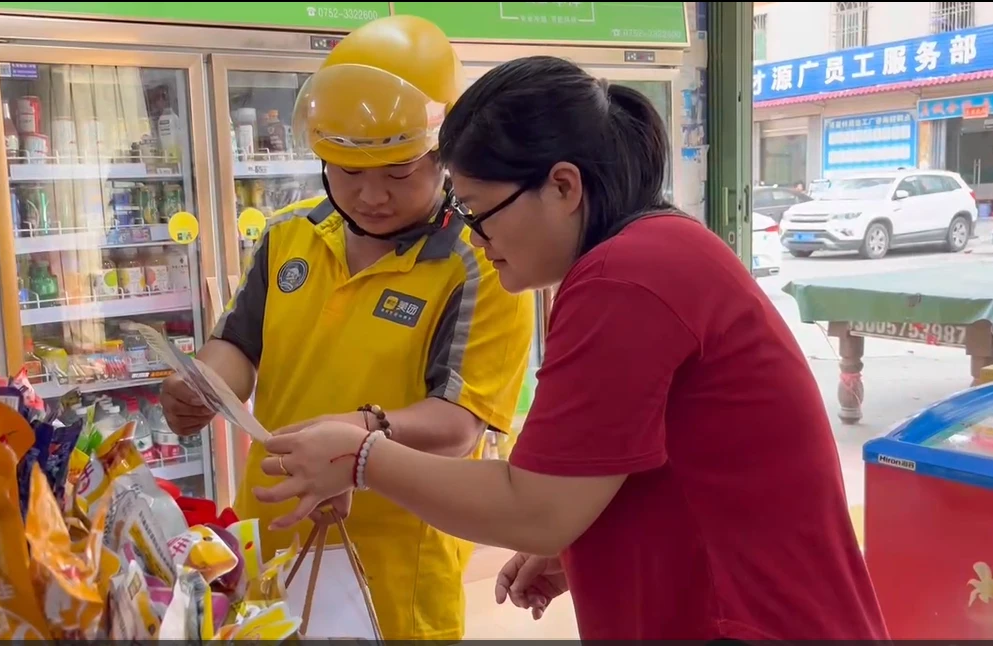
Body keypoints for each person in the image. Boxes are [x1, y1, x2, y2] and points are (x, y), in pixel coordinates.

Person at [249, 56, 890, 641]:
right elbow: (669, 465)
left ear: (563, 187)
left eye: (477, 212)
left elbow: (532, 507)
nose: (475, 239)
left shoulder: (624, 279)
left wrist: (360, 457)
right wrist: (589, 536)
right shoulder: (659, 250)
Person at [159, 16, 534, 642]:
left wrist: (355, 437)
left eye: (397, 172)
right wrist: (204, 384)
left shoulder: (480, 264)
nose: (371, 196)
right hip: (268, 541)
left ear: (445, 157)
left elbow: (458, 424)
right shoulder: (289, 234)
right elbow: (239, 346)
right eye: (347, 171)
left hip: (391, 570)